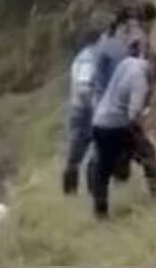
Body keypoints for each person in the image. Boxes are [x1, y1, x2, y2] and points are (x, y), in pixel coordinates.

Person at [87, 51, 156, 219]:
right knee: (148, 155)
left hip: (99, 122)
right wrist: (145, 125)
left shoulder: (129, 62)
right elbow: (133, 114)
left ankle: (100, 212)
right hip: (118, 125)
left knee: (103, 167)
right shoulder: (140, 81)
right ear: (155, 67)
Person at [62, 28, 101, 194]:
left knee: (75, 155)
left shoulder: (80, 58)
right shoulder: (89, 59)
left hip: (77, 110)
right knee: (93, 153)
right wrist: (95, 109)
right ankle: (93, 192)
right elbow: (84, 87)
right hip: (86, 112)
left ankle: (70, 192)